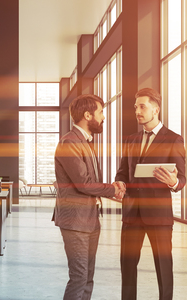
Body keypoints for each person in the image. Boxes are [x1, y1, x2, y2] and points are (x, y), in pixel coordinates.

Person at [114, 88, 186, 300]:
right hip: (131, 214)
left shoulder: (174, 139)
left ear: (156, 109)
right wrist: (119, 182)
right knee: (127, 267)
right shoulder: (131, 140)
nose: (137, 110)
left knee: (163, 267)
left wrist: (174, 182)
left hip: (159, 215)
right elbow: (122, 172)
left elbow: (182, 178)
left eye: (142, 106)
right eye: (136, 107)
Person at [53, 94, 125, 300]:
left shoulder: (84, 141)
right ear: (87, 114)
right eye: (101, 112)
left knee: (87, 277)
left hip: (90, 219)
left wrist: (112, 190)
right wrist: (113, 189)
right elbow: (83, 183)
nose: (103, 117)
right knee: (79, 277)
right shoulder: (69, 142)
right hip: (75, 222)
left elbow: (90, 183)